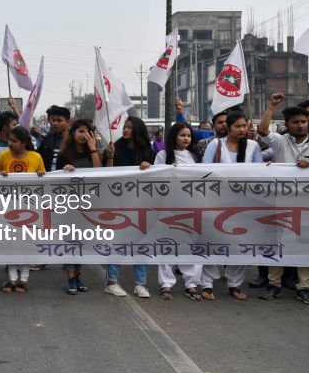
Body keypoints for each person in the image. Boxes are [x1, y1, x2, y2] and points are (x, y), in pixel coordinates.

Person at [256, 95, 309, 305]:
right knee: (277, 243)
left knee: (306, 244)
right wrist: (270, 107)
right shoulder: (279, 141)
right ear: (287, 125)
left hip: (307, 204)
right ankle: (273, 284)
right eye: (295, 122)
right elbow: (262, 131)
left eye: (303, 121)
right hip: (280, 201)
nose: (300, 125)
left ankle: (304, 287)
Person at [200, 110, 261, 301]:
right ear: (228, 127)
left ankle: (235, 284)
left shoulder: (253, 146)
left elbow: (260, 174)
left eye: (244, 126)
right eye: (238, 126)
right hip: (217, 202)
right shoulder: (215, 145)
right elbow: (205, 171)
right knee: (211, 243)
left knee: (240, 244)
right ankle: (207, 285)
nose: (242, 129)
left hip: (244, 204)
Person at [145, 122, 204, 300]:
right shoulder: (163, 155)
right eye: (182, 135)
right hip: (169, 207)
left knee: (190, 246)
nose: (186, 138)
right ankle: (166, 283)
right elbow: (156, 179)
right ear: (174, 137)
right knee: (166, 245)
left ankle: (191, 283)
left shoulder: (195, 156)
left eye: (188, 136)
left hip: (192, 207)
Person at [102, 117, 154, 298]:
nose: (125, 130)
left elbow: (156, 175)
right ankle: (111, 282)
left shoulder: (147, 150)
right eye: (125, 127)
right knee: (118, 242)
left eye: (130, 128)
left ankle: (140, 284)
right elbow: (107, 173)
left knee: (140, 244)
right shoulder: (115, 147)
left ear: (138, 130)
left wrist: (149, 167)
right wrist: (109, 155)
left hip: (140, 202)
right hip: (117, 202)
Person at [0, 126, 45, 294]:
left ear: (23, 143)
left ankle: (23, 280)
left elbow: (45, 181)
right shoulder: (3, 157)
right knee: (10, 244)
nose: (10, 143)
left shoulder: (36, 157)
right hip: (7, 208)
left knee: (26, 245)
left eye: (14, 141)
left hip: (30, 208)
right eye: (9, 140)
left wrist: (41, 176)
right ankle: (12, 279)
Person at [59, 118, 102, 295]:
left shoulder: (93, 152)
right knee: (71, 241)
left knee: (82, 242)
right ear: (73, 134)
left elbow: (99, 172)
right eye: (80, 132)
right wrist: (65, 169)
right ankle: (70, 277)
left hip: (88, 204)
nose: (83, 135)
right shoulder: (65, 154)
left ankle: (77, 275)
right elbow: (55, 178)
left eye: (87, 132)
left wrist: (93, 148)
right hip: (69, 205)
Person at [36, 105, 70, 172]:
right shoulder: (46, 140)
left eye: (59, 121)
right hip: (48, 180)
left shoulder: (75, 140)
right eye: (53, 120)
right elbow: (37, 156)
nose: (55, 123)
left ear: (68, 122)